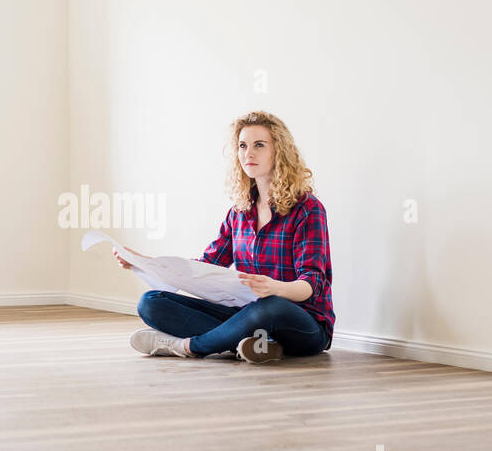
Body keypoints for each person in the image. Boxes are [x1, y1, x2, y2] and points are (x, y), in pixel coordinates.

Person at [116, 111, 334, 365]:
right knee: (151, 303)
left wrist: (273, 287)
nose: (248, 153)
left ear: (280, 152)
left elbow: (312, 284)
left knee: (269, 306)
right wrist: (146, 262)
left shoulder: (307, 209)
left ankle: (189, 347)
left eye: (259, 145)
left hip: (302, 322)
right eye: (243, 145)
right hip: (246, 314)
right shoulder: (239, 212)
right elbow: (206, 266)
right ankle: (256, 345)